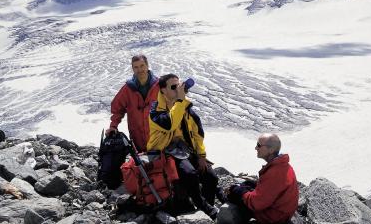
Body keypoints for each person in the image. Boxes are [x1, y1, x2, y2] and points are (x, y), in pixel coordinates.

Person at [147, 73, 220, 219]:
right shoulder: (155, 111)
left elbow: (198, 134)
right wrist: (180, 100)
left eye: (179, 86)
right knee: (189, 174)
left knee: (210, 176)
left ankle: (207, 207)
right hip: (163, 151)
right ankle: (203, 206)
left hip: (183, 150)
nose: (178, 90)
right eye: (173, 87)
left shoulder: (186, 109)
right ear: (163, 91)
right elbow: (169, 124)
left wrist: (201, 156)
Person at [220, 134, 299, 224]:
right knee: (246, 185)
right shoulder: (282, 165)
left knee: (235, 195)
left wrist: (237, 190)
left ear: (271, 150)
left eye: (259, 145)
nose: (256, 148)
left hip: (274, 217)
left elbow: (256, 203)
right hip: (281, 211)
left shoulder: (274, 172)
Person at [106, 54, 159, 153]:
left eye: (142, 66)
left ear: (147, 66)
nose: (140, 69)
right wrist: (113, 126)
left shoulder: (159, 86)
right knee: (141, 166)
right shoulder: (128, 88)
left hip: (158, 138)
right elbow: (117, 109)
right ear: (133, 69)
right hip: (137, 137)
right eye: (136, 67)